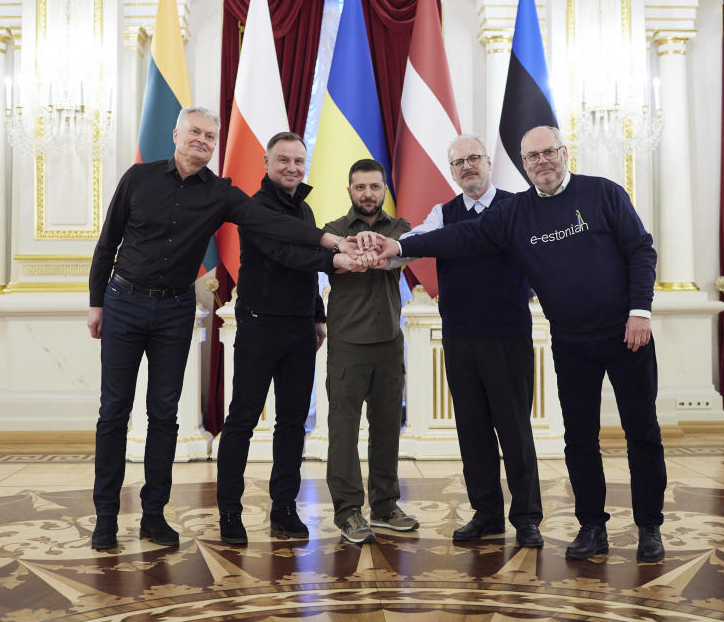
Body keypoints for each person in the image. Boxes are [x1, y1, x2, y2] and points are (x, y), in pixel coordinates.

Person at [364, 126, 667, 563]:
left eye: (548, 152)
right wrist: (398, 245)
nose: (542, 162)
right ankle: (592, 526)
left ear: (564, 153)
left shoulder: (604, 193)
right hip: (570, 341)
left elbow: (641, 250)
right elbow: (459, 237)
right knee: (579, 439)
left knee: (641, 432)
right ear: (522, 164)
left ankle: (650, 527)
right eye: (532, 157)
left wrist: (640, 310)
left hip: (626, 334)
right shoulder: (516, 212)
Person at [87, 107, 351, 551]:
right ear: (176, 134)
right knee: (114, 412)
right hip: (123, 302)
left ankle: (154, 516)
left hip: (174, 309)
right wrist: (96, 303)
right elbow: (107, 241)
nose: (202, 141)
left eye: (211, 136)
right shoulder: (138, 177)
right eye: (195, 132)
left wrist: (335, 242)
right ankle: (107, 518)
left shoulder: (222, 194)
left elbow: (274, 223)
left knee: (164, 415)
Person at [388, 134, 543, 546]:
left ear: (488, 161)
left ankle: (527, 518)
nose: (467, 167)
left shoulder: (518, 206)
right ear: (451, 171)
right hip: (459, 338)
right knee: (472, 430)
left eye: (473, 158)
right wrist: (378, 251)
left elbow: (453, 242)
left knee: (514, 430)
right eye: (458, 163)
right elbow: (415, 244)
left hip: (507, 336)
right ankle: (487, 513)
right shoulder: (443, 212)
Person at [216, 132, 363, 545]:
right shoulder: (254, 208)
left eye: (299, 161)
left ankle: (284, 508)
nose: (292, 168)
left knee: (293, 423)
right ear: (266, 163)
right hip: (259, 326)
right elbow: (288, 255)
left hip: (300, 329)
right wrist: (337, 260)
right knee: (242, 421)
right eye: (283, 160)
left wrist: (317, 316)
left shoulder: (306, 208)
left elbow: (306, 273)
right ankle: (230, 511)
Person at [322, 159, 417, 544]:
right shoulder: (334, 231)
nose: (368, 194)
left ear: (383, 190)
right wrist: (350, 259)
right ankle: (347, 513)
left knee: (386, 429)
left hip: (389, 344)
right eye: (360, 187)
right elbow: (333, 263)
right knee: (343, 432)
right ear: (349, 190)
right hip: (346, 345)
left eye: (375, 187)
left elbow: (407, 253)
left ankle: (384, 506)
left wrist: (383, 256)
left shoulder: (400, 229)